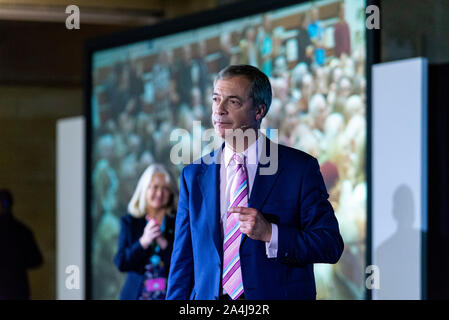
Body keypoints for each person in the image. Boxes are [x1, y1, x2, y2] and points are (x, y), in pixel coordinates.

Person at [166, 65, 344, 300]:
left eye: (233, 102)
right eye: (216, 99)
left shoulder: (298, 169)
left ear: (259, 110)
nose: (219, 111)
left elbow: (329, 244)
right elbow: (182, 262)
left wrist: (271, 233)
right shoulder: (194, 175)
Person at [114, 164, 177, 300]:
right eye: (155, 187)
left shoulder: (178, 222)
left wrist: (163, 243)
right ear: (145, 189)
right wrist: (144, 241)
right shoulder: (130, 222)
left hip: (169, 295)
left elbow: (182, 264)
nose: (160, 193)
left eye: (165, 188)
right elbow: (121, 263)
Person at [0, 190, 43, 300]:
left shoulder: (22, 231)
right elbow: (36, 260)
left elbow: (36, 260)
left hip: (15, 290)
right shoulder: (23, 231)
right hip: (18, 289)